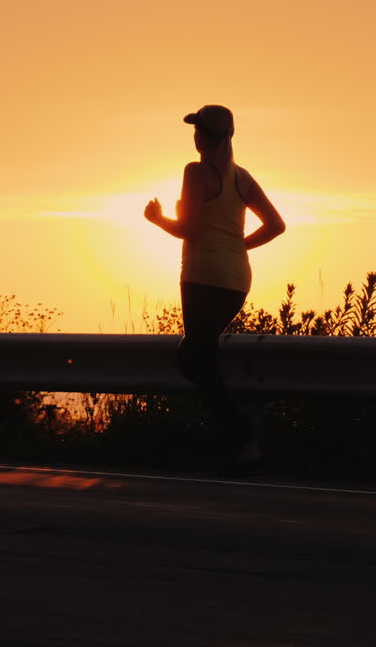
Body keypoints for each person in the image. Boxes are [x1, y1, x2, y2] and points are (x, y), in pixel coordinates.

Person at [143, 104, 286, 474]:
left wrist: (157, 219)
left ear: (204, 137)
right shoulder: (243, 178)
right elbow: (276, 225)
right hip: (237, 281)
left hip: (202, 276)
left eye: (197, 130)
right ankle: (238, 442)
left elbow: (188, 229)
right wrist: (239, 247)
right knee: (197, 358)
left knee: (191, 360)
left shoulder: (195, 172)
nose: (195, 136)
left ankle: (244, 441)